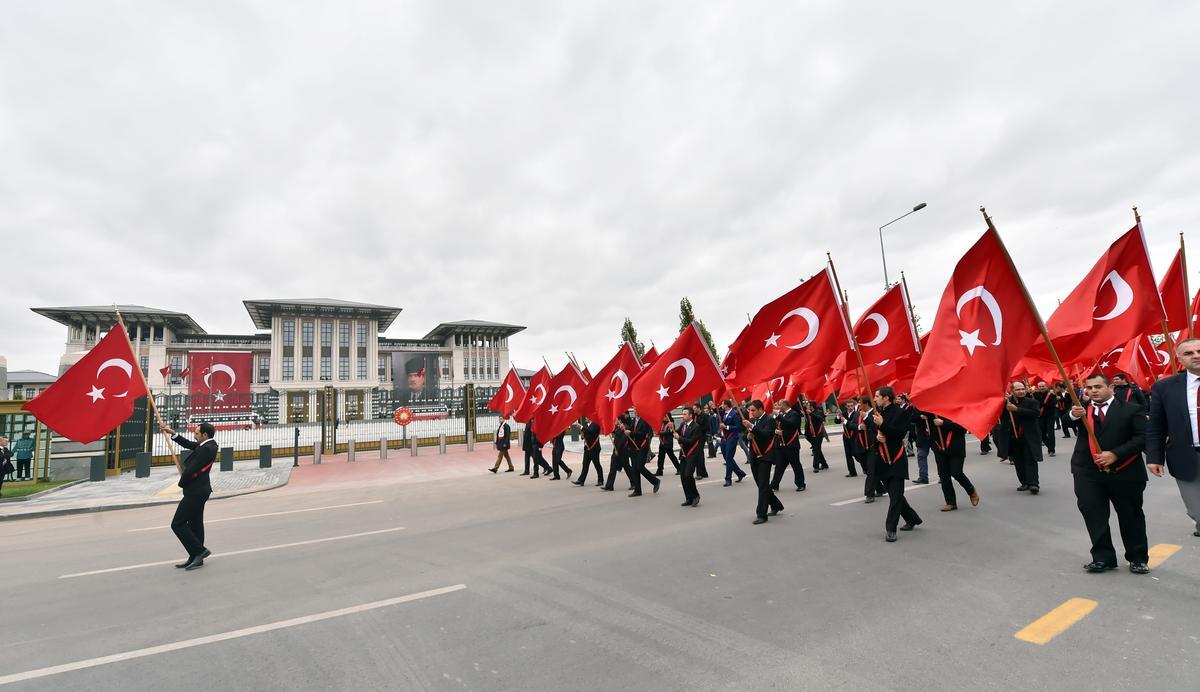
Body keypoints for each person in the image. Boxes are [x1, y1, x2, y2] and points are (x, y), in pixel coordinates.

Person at [1067, 373, 1150, 573]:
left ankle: (1137, 558)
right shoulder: (1081, 411)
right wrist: (1071, 415)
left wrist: (1115, 454)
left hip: (1125, 471)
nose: (1093, 391)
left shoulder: (1132, 409)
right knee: (1094, 515)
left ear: (1110, 387)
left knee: (1130, 515)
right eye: (1089, 387)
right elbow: (1064, 422)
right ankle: (1102, 557)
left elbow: (1142, 437)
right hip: (1088, 472)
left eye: (1098, 386)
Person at [1146, 337, 1200, 539]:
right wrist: (1154, 457)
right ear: (1179, 359)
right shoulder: (1165, 387)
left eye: (1199, 350)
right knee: (1198, 512)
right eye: (1188, 353)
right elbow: (1156, 426)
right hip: (1186, 456)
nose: (1196, 355)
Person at [160, 421, 217, 571]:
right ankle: (195, 557)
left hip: (196, 492)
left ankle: (199, 551)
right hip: (199, 490)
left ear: (205, 435)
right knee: (195, 524)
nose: (194, 435)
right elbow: (189, 444)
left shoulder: (207, 449)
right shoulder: (206, 445)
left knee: (177, 524)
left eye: (197, 433)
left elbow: (191, 470)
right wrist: (173, 433)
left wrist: (182, 480)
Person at [870, 387, 923, 542]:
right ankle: (912, 518)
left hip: (896, 459)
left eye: (877, 396)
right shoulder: (877, 414)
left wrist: (883, 425)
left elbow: (900, 433)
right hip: (882, 460)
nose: (875, 399)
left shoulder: (901, 413)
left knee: (895, 496)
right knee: (896, 495)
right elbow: (873, 435)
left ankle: (890, 529)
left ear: (886, 398)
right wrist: (877, 438)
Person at [745, 400, 784, 524]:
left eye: (753, 410)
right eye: (750, 411)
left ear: (761, 409)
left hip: (765, 456)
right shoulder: (752, 421)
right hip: (754, 455)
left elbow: (766, 435)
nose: (751, 413)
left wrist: (752, 428)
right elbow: (746, 436)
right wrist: (748, 436)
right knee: (762, 484)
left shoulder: (769, 420)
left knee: (762, 485)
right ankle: (776, 504)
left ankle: (761, 514)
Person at [930, 413, 979, 511]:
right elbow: (914, 417)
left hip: (955, 447)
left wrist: (943, 423)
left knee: (956, 472)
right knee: (943, 475)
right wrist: (921, 416)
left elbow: (963, 428)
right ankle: (951, 502)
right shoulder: (932, 410)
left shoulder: (957, 409)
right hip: (939, 447)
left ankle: (971, 491)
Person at [1006, 382, 1043, 494]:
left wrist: (1017, 409)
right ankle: (1024, 482)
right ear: (1012, 391)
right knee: (1018, 461)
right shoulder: (1007, 403)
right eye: (1018, 389)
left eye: (1022, 389)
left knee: (1030, 459)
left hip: (1029, 436)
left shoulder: (1032, 402)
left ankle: (1033, 484)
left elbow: (1036, 413)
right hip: (1014, 437)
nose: (1021, 391)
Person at [770, 399, 806, 491]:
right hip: (781, 444)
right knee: (779, 466)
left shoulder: (794, 414)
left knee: (795, 465)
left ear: (785, 405)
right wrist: (775, 430)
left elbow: (791, 425)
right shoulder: (780, 415)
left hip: (791, 444)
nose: (778, 407)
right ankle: (774, 484)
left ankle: (800, 484)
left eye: (779, 405)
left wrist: (778, 416)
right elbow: (773, 426)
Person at [623, 410, 660, 497]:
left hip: (642, 447)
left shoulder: (644, 420)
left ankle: (655, 481)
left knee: (639, 466)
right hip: (633, 447)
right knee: (635, 469)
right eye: (634, 410)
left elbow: (642, 434)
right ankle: (637, 490)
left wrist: (630, 433)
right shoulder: (634, 420)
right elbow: (630, 429)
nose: (635, 411)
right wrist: (624, 428)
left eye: (637, 410)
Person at [856, 395, 886, 502]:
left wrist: (865, 418)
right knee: (873, 470)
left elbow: (876, 427)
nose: (859, 405)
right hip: (863, 447)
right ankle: (881, 488)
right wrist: (859, 425)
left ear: (866, 404)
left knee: (871, 470)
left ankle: (869, 494)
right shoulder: (860, 414)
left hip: (875, 446)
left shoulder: (875, 413)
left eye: (861, 403)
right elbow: (855, 425)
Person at [675, 406, 704, 507]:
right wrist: (672, 428)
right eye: (682, 414)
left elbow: (691, 441)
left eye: (685, 414)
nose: (683, 416)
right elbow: (677, 432)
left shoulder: (696, 427)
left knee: (688, 475)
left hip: (692, 454)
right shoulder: (683, 424)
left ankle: (695, 496)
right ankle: (688, 498)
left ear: (691, 415)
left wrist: (680, 438)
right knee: (683, 477)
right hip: (683, 454)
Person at [719, 399, 748, 486]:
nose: (721, 405)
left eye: (722, 404)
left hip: (732, 437)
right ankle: (740, 473)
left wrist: (726, 427)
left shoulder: (734, 414)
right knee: (727, 458)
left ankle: (728, 479)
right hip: (724, 438)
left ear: (727, 405)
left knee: (728, 458)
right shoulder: (724, 413)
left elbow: (738, 427)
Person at [602, 415, 632, 492]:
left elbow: (623, 440)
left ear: (620, 420)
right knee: (613, 468)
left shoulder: (626, 427)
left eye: (616, 419)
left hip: (622, 451)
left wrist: (617, 450)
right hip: (616, 451)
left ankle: (634, 483)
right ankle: (609, 486)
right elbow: (615, 431)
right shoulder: (619, 427)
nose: (615, 420)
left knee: (627, 468)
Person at [574, 417, 604, 487]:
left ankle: (600, 480)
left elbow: (591, 432)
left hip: (594, 448)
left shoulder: (596, 424)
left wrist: (581, 427)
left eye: (587, 417)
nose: (585, 419)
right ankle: (581, 480)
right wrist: (582, 434)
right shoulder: (587, 425)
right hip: (587, 448)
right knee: (585, 464)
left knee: (597, 464)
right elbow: (586, 434)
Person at [803, 401, 830, 472]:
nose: (808, 407)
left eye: (808, 405)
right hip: (810, 435)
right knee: (817, 449)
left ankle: (816, 466)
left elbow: (820, 418)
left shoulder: (818, 411)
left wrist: (811, 414)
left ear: (812, 406)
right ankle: (824, 464)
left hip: (818, 434)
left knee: (816, 450)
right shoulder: (808, 413)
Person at [1034, 381, 1058, 458]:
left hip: (1050, 417)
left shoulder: (1052, 395)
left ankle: (1052, 450)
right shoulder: (1034, 395)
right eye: (1040, 386)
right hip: (1040, 417)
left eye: (1043, 386)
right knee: (1041, 434)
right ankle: (1049, 446)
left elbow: (1052, 406)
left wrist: (1041, 404)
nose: (1041, 388)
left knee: (1050, 433)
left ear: (1046, 387)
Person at [836, 400, 860, 477]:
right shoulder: (843, 413)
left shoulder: (856, 414)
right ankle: (852, 472)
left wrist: (845, 420)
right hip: (846, 436)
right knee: (848, 455)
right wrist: (838, 415)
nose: (850, 407)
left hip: (854, 436)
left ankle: (865, 467)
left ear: (853, 406)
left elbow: (853, 424)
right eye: (848, 406)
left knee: (857, 454)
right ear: (846, 406)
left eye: (851, 406)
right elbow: (836, 421)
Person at [911, 407, 932, 484]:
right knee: (921, 456)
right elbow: (911, 418)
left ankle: (943, 476)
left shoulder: (934, 404)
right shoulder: (916, 406)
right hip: (922, 436)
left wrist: (929, 416)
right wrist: (920, 417)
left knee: (939, 457)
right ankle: (923, 477)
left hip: (934, 434)